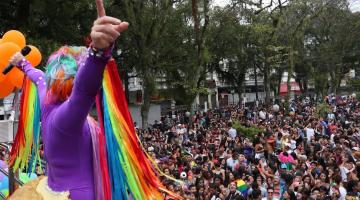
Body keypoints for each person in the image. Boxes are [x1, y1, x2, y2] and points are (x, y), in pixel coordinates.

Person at [8, 0, 128, 199]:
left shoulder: (47, 99)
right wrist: (98, 54)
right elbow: (84, 89)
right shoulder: (67, 117)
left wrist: (22, 63)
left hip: (54, 191)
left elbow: (38, 77)